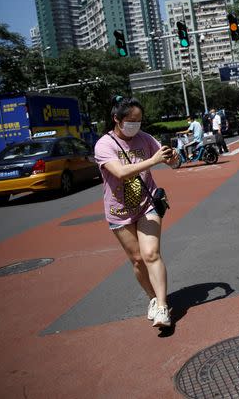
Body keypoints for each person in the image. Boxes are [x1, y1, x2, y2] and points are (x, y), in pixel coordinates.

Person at [93, 96, 179, 328]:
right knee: (138, 260)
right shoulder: (104, 145)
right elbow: (120, 173)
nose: (136, 125)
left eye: (139, 120)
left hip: (147, 204)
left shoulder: (145, 138)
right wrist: (152, 161)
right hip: (118, 212)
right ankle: (152, 298)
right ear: (117, 119)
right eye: (131, 120)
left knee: (151, 254)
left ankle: (162, 306)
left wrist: (173, 160)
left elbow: (168, 160)